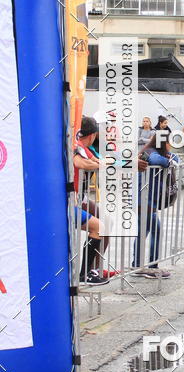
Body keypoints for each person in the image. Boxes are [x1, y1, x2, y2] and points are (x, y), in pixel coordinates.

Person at [74, 116, 109, 285]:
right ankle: (84, 274)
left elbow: (96, 160)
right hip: (69, 201)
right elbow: (81, 163)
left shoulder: (85, 147)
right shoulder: (77, 146)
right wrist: (100, 165)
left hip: (78, 199)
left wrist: (103, 163)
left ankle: (90, 271)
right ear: (93, 134)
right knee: (99, 226)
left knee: (104, 224)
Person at [134, 133, 173, 278]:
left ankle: (139, 265)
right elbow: (157, 160)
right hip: (144, 198)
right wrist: (168, 161)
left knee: (144, 232)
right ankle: (150, 266)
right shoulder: (150, 152)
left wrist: (169, 158)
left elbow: (175, 157)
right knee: (152, 231)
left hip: (147, 198)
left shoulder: (153, 150)